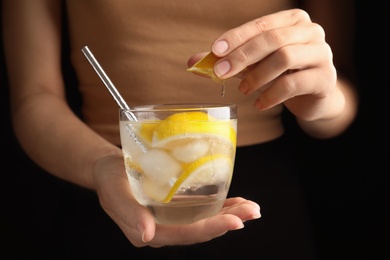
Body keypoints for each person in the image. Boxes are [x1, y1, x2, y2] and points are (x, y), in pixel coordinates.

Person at [2, 0, 358, 259]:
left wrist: (324, 103)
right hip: (108, 184)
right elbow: (34, 97)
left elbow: (341, 92)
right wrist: (102, 166)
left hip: (263, 197)